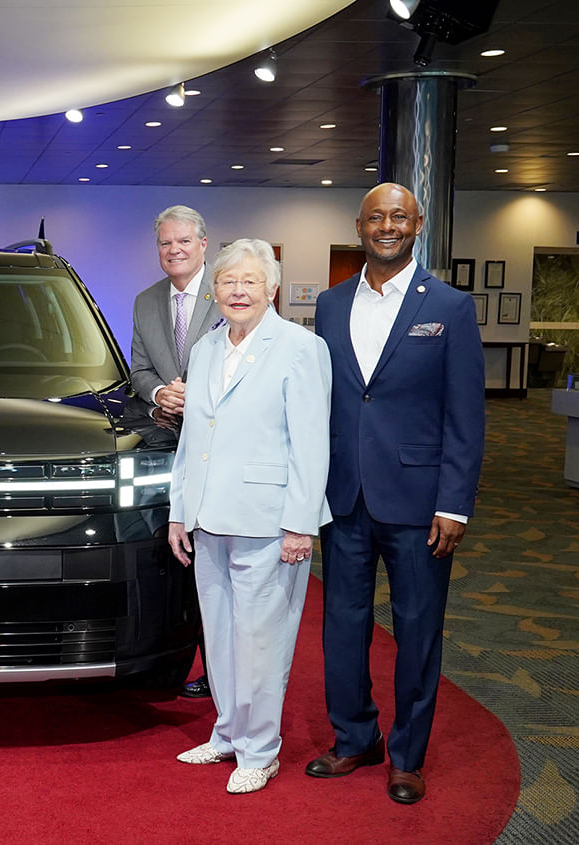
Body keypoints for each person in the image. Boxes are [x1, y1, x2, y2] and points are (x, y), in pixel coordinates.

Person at [306, 183, 485, 804]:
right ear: (359, 226)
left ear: (418, 224)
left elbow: (466, 416)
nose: (388, 226)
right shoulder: (330, 304)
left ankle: (408, 756)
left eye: (399, 217)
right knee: (342, 625)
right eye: (377, 217)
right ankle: (355, 737)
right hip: (344, 497)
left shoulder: (450, 307)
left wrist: (454, 503)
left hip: (420, 502)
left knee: (417, 630)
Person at [167, 238, 332, 795]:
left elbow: (312, 444)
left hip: (268, 520)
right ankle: (227, 733)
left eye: (250, 281)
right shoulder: (206, 348)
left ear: (272, 288)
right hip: (208, 516)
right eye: (228, 281)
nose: (238, 291)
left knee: (261, 642)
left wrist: (300, 523)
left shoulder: (301, 348)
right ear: (213, 290)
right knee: (219, 638)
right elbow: (193, 438)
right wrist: (179, 511)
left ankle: (259, 751)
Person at [130, 204, 223, 699]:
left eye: (184, 241)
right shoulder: (146, 301)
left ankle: (222, 674)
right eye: (166, 243)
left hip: (225, 448)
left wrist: (198, 394)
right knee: (185, 562)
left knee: (220, 565)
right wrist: (158, 394)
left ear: (203, 244)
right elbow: (139, 370)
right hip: (172, 446)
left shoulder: (227, 291)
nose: (174, 250)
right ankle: (192, 663)